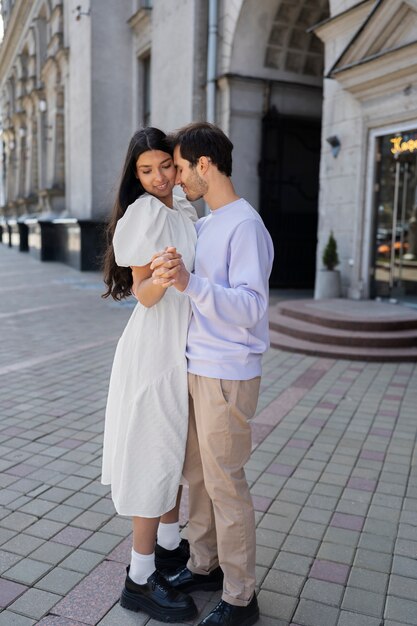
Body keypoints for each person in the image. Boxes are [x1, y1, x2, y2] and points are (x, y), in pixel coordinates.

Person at [151, 122, 274, 626]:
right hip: (199, 366)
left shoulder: (245, 225)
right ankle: (204, 564)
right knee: (198, 478)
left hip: (227, 373)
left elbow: (250, 306)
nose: (176, 178)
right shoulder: (208, 223)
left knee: (226, 485)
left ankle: (241, 597)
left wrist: (190, 282)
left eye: (179, 167)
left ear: (205, 165)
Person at [101, 127, 198, 623]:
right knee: (152, 456)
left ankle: (166, 547)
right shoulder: (141, 216)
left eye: (165, 165)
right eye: (146, 170)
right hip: (155, 348)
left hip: (182, 346)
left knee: (173, 453)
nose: (158, 177)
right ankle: (138, 580)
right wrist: (160, 279)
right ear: (134, 176)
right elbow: (141, 290)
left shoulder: (182, 206)